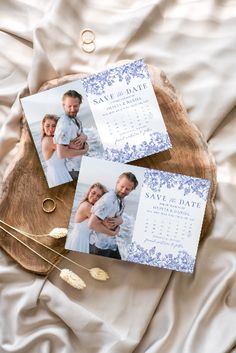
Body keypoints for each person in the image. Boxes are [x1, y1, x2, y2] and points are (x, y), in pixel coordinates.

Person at [89, 172, 139, 259]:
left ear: (132, 190)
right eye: (122, 186)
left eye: (127, 189)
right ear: (117, 182)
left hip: (111, 244)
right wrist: (113, 233)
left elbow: (116, 217)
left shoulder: (120, 199)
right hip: (99, 247)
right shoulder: (108, 200)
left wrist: (120, 221)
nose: (123, 190)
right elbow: (92, 224)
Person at [68, 183, 121, 253]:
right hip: (79, 240)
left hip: (84, 239)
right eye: (93, 193)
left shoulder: (92, 207)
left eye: (98, 196)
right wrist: (113, 232)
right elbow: (108, 224)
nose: (94, 197)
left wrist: (120, 220)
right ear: (89, 191)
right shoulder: (87, 206)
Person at [53, 90, 89, 180]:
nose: (72, 109)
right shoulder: (64, 125)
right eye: (69, 106)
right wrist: (84, 151)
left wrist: (84, 137)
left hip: (80, 165)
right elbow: (61, 154)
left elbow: (81, 133)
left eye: (75, 106)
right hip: (74, 170)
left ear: (79, 105)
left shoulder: (75, 118)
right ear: (63, 106)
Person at [41, 114, 73, 187]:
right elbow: (73, 146)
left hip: (60, 172)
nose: (51, 129)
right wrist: (84, 150)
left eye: (54, 126)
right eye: (47, 126)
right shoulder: (49, 140)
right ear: (43, 126)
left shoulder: (55, 139)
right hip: (57, 175)